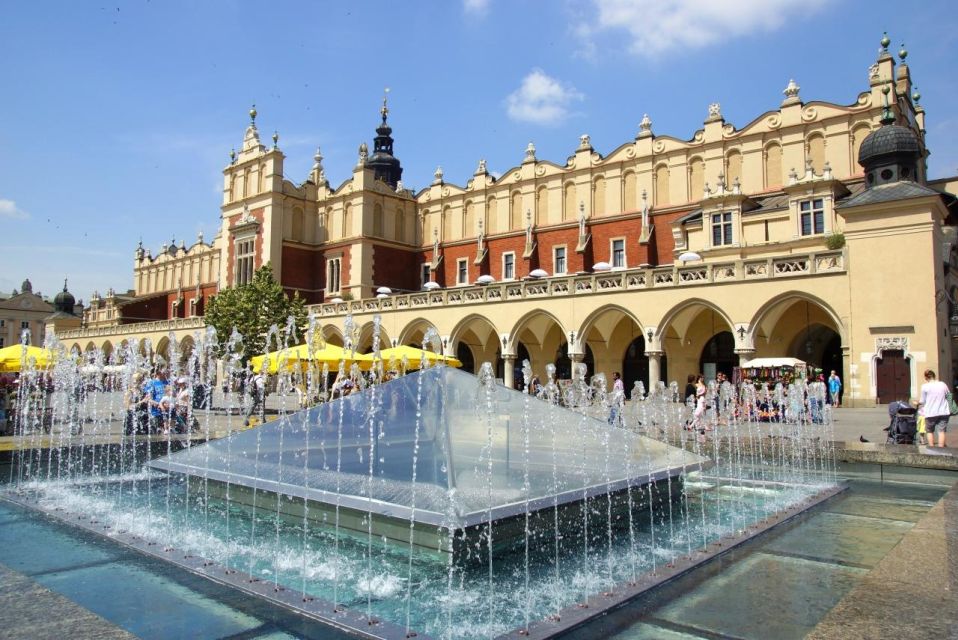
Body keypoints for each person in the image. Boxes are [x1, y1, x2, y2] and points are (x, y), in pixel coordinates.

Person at [917, 369, 949, 448]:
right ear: (934, 376)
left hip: (930, 412)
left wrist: (916, 403)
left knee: (930, 431)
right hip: (943, 411)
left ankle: (931, 449)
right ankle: (941, 448)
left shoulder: (925, 386)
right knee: (941, 431)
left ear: (926, 378)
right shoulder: (943, 384)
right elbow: (948, 395)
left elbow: (922, 401)